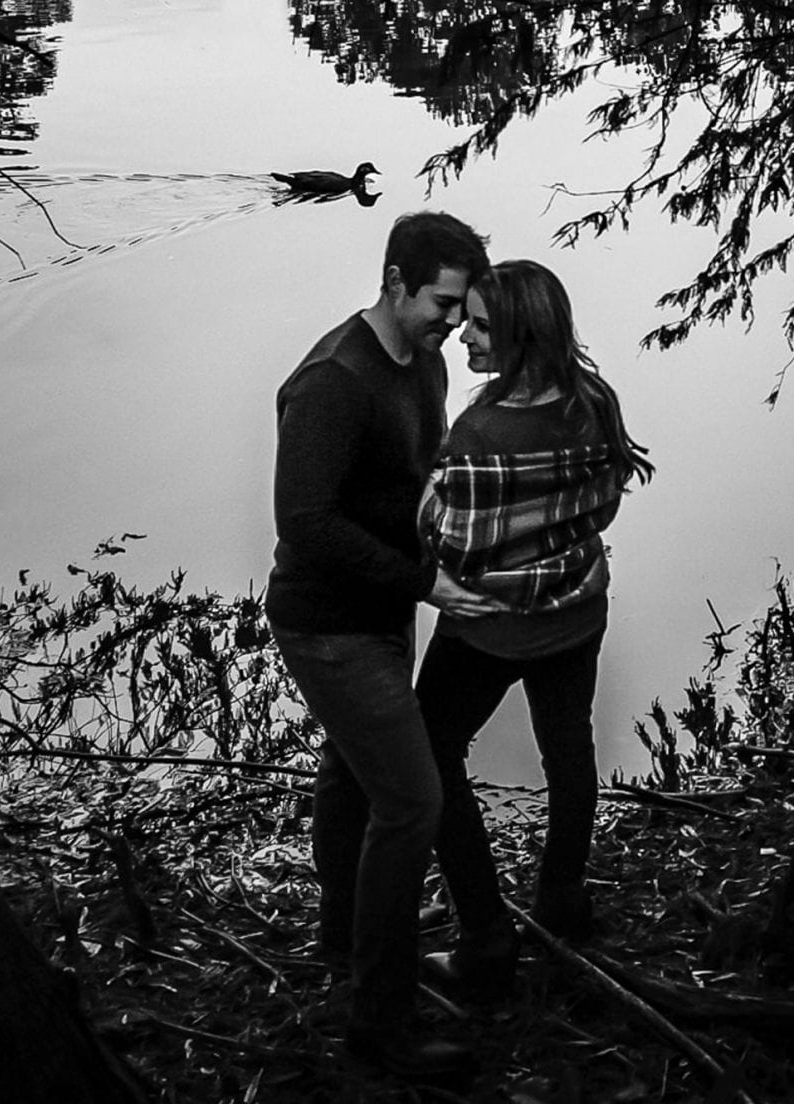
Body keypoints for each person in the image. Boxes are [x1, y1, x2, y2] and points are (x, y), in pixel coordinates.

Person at [265, 211, 502, 1077]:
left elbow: (420, 477)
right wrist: (419, 582)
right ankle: (381, 1021)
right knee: (413, 802)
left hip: (381, 616)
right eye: (443, 302)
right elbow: (305, 522)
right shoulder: (334, 382)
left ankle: (342, 935)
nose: (452, 321)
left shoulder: (425, 362)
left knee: (354, 776)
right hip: (327, 625)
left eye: (460, 307)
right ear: (396, 281)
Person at [414, 259, 654, 996]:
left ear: (521, 335)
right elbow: (605, 506)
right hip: (576, 616)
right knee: (567, 749)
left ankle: (487, 941)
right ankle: (562, 900)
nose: (464, 338)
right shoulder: (594, 401)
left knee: (431, 757)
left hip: (489, 630)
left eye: (483, 328)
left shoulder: (480, 431)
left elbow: (450, 543)